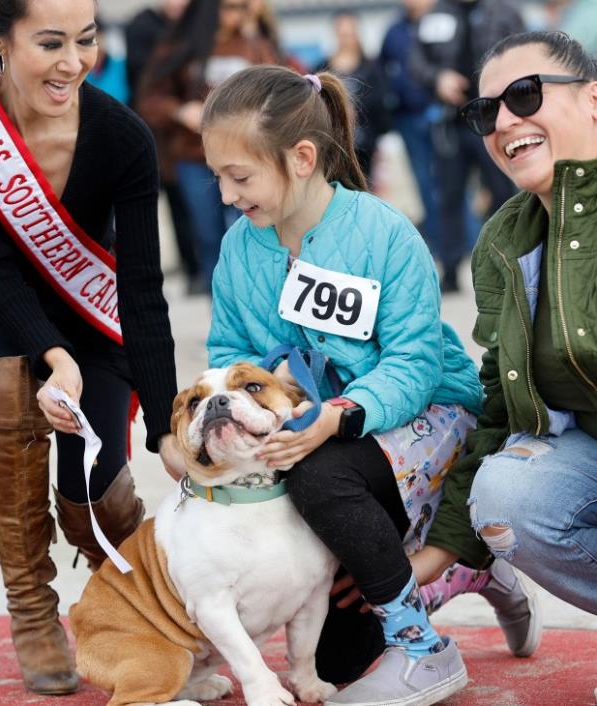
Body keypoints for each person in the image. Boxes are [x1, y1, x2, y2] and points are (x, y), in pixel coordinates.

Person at [200, 64, 538, 706]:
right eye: (217, 175)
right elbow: (230, 352)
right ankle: (472, 568)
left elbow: (414, 364)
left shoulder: (384, 234)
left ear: (301, 157)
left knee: (320, 478)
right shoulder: (240, 250)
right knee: (342, 656)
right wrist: (260, 401)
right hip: (324, 437)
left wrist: (338, 414)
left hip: (424, 413)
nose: (223, 195)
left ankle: (421, 644)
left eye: (238, 177)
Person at [0, 0, 184, 696]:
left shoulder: (121, 136)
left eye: (86, 39)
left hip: (93, 322)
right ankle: (34, 609)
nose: (73, 62)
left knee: (93, 483)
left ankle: (147, 597)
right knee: (10, 441)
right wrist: (50, 355)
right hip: (4, 319)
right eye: (50, 43)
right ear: (3, 41)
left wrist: (165, 424)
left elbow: (140, 287)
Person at [440, 29, 597, 645]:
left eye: (526, 95)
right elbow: (501, 403)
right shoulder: (505, 240)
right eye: (485, 111)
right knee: (508, 496)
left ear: (592, 99)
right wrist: (444, 549)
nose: (505, 121)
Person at [137, 0, 277, 294]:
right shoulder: (181, 46)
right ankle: (222, 311)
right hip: (195, 157)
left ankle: (257, 302)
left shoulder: (254, 43)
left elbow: (279, 88)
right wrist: (180, 111)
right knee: (209, 235)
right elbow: (149, 98)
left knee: (256, 231)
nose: (235, 13)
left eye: (241, 7)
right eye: (229, 6)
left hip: (247, 155)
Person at [409, 0, 523, 292]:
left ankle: (509, 266)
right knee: (449, 198)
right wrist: (437, 78)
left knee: (503, 195)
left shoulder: (504, 12)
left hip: (496, 121)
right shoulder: (435, 15)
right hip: (453, 124)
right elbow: (416, 63)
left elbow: (526, 56)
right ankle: (449, 271)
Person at [124, 0, 200, 296]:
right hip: (156, 134)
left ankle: (204, 268)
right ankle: (191, 268)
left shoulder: (200, 22)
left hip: (190, 136)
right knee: (176, 206)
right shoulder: (143, 27)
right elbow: (144, 84)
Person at [378, 0, 440, 252]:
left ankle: (465, 239)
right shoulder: (394, 31)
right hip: (407, 117)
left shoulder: (442, 22)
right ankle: (436, 241)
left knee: (451, 182)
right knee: (423, 181)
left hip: (441, 115)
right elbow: (382, 69)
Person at [314, 12, 389, 182]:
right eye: (342, 34)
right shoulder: (322, 67)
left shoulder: (371, 68)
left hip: (365, 141)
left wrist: (357, 110)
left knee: (364, 184)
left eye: (350, 33)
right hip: (332, 143)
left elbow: (380, 99)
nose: (346, 39)